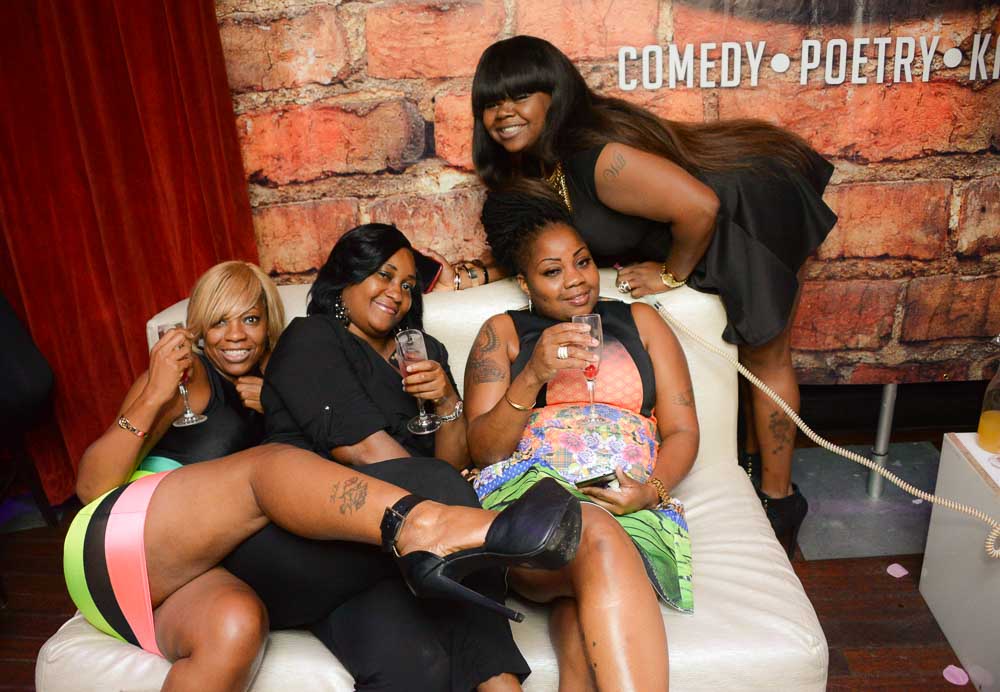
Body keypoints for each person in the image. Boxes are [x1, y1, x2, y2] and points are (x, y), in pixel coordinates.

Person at [469, 35, 839, 557]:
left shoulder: (596, 159)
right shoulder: (546, 163)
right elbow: (550, 241)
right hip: (705, 224)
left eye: (520, 96)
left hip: (745, 215)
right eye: (490, 103)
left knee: (765, 355)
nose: (503, 112)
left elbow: (700, 207)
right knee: (746, 357)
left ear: (554, 96)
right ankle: (755, 470)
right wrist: (486, 269)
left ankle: (780, 501)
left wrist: (670, 274)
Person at [227, 223, 531, 691]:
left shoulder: (425, 352)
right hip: (302, 543)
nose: (397, 294)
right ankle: (505, 540)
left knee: (418, 669)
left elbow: (451, 467)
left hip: (381, 556)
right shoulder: (311, 338)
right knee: (440, 496)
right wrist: (447, 512)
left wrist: (447, 401)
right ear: (346, 277)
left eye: (408, 286)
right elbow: (365, 452)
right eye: (384, 275)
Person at [465, 190, 699, 692]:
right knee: (591, 528)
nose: (575, 279)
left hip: (628, 507)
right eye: (552, 271)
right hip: (533, 511)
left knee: (580, 616)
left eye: (583, 262)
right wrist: (532, 374)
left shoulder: (642, 322)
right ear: (525, 283)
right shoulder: (502, 334)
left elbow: (682, 429)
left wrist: (649, 491)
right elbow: (483, 451)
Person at [75, 260, 285, 499]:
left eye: (250, 319)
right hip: (149, 512)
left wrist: (277, 407)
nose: (236, 335)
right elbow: (90, 488)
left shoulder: (278, 368)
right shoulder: (186, 375)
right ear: (202, 327)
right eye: (219, 321)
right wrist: (153, 396)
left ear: (268, 323)